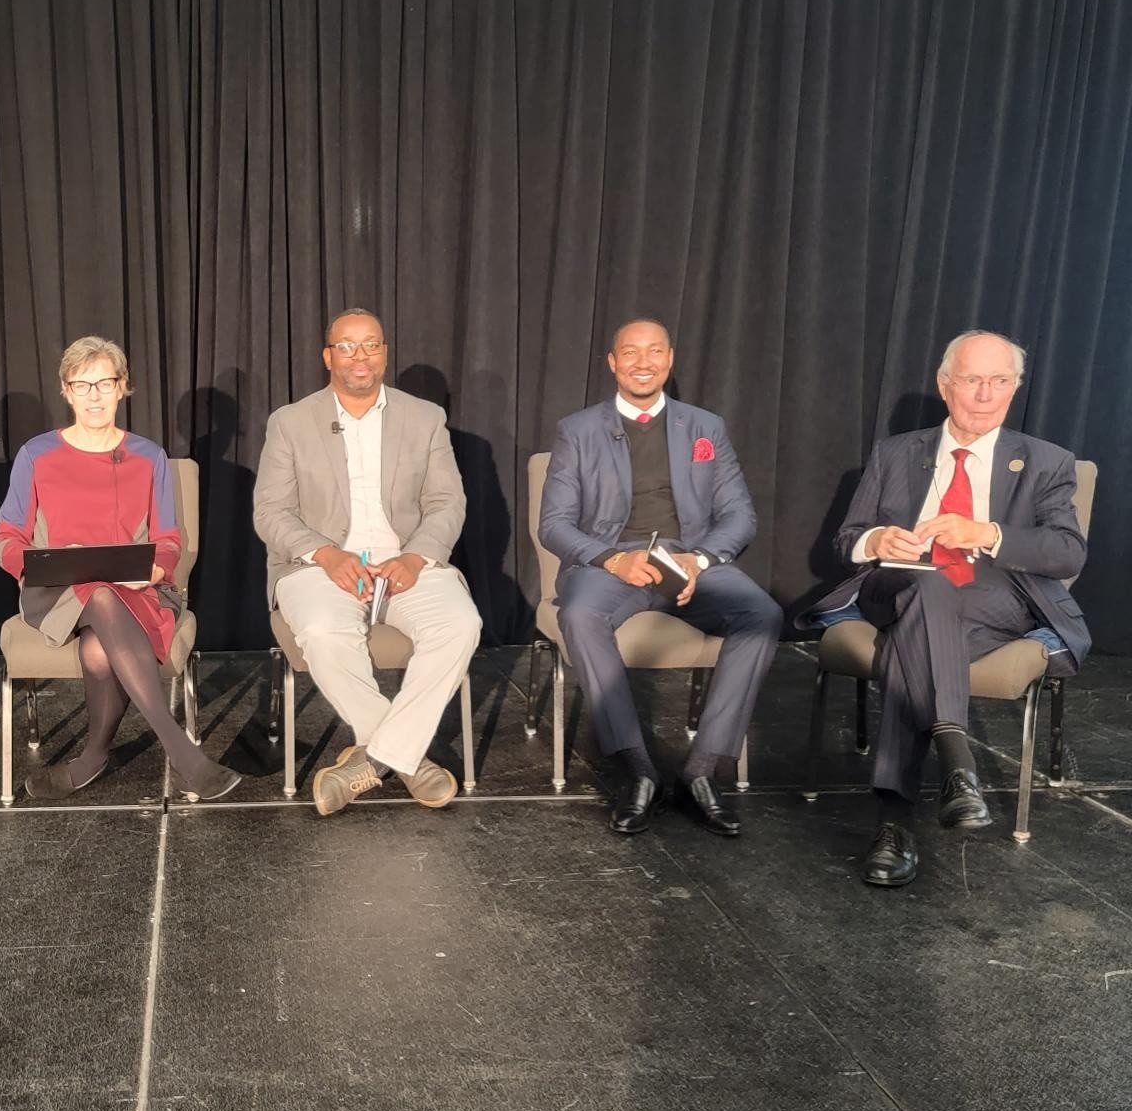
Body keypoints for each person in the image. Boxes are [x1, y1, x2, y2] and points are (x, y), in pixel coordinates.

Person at [814, 330, 1089, 888]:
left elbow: (1067, 552)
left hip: (997, 598)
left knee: (914, 640)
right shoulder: (896, 453)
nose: (986, 393)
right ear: (946, 385)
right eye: (972, 379)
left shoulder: (1046, 461)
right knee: (926, 587)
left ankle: (893, 823)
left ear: (1014, 388)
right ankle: (955, 756)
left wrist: (986, 532)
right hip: (896, 586)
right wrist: (877, 542)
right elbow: (847, 541)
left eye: (1000, 381)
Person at [538, 319, 782, 836]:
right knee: (580, 615)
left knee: (762, 614)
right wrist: (610, 559)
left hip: (688, 558)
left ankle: (701, 770)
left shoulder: (704, 427)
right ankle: (638, 770)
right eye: (630, 352)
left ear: (670, 360)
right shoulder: (577, 429)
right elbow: (554, 524)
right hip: (612, 560)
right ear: (612, 361)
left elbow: (739, 515)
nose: (642, 362)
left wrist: (703, 560)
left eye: (653, 352)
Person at [253, 308, 481, 815]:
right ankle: (408, 760)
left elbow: (448, 503)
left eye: (371, 345)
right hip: (318, 565)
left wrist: (417, 556)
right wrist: (327, 554)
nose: (361, 357)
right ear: (328, 356)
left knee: (461, 624)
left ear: (384, 353)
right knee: (321, 630)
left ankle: (371, 761)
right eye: (348, 346)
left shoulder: (424, 418)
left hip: (407, 561)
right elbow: (270, 513)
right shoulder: (290, 422)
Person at [0, 337, 239, 802]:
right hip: (58, 590)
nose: (93, 395)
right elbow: (7, 536)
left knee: (99, 650)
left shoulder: (149, 456)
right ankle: (185, 756)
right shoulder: (36, 454)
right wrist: (34, 567)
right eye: (82, 385)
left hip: (137, 590)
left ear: (123, 388)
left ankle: (91, 758)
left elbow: (168, 540)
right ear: (65, 391)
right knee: (99, 594)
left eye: (104, 383)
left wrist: (153, 573)